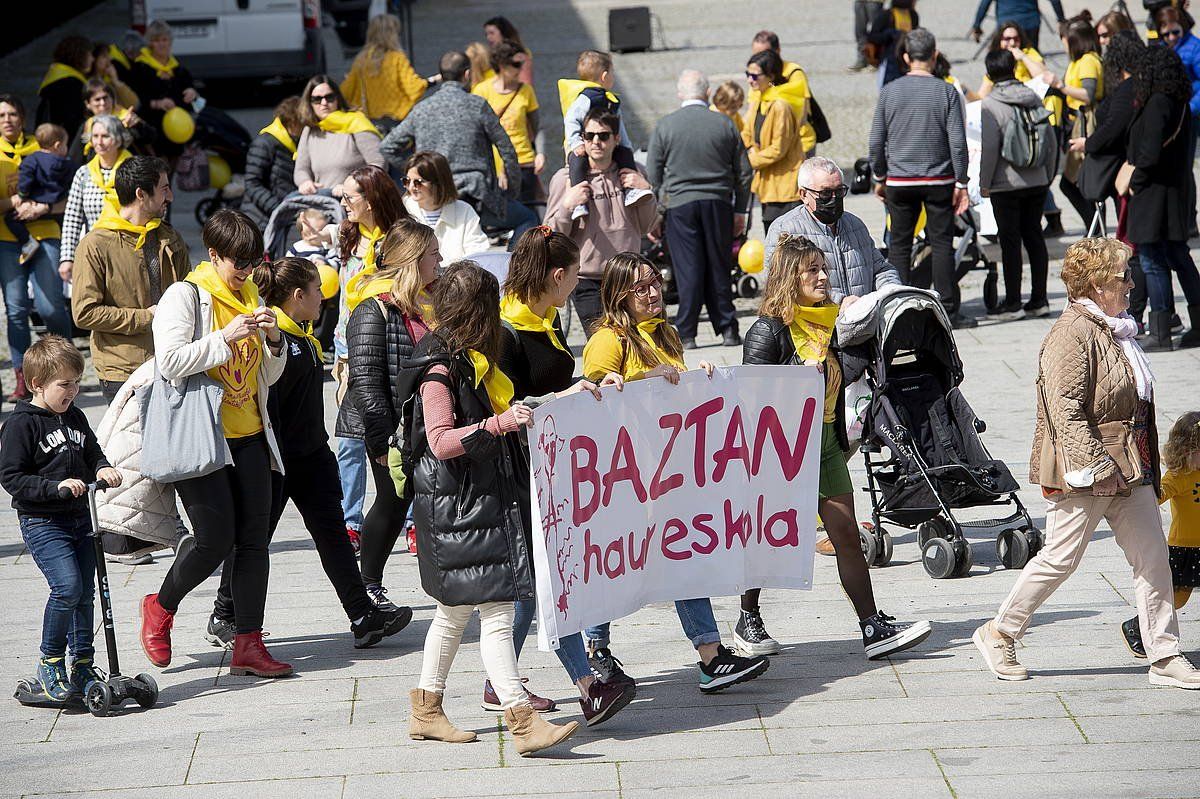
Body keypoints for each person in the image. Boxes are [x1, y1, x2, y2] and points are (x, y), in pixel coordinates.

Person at [974, 237, 1200, 690]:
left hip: (1130, 466)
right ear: (1097, 284)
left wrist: (1147, 469)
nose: (1131, 283)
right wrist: (1097, 467)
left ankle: (1164, 654)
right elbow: (1064, 410)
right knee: (1061, 558)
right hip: (1088, 471)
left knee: (1154, 560)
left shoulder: (1114, 327)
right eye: (1123, 277)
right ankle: (999, 632)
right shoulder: (1072, 333)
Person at [404, 260, 580, 755]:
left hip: (468, 503)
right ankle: (522, 723)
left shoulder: (468, 357)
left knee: (453, 614)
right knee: (498, 612)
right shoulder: (440, 368)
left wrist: (566, 396)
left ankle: (426, 710)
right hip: (460, 506)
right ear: (474, 312)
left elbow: (507, 409)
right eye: (490, 305)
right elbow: (440, 441)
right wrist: (498, 426)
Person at [580, 251, 772, 692]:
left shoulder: (664, 333)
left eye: (655, 282)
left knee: (682, 559)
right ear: (618, 296)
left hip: (669, 474)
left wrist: (700, 379)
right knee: (613, 566)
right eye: (640, 287)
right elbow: (596, 400)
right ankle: (597, 652)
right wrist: (650, 377)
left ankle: (710, 655)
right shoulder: (609, 340)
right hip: (625, 480)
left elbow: (675, 398)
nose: (652, 293)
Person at [733, 234, 932, 658]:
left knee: (845, 533)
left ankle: (872, 626)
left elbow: (850, 369)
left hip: (824, 444)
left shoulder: (829, 323)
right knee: (771, 540)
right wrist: (796, 372)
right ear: (791, 278)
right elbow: (751, 397)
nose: (824, 277)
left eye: (824, 268)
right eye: (813, 271)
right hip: (780, 451)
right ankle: (747, 618)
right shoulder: (768, 331)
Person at [201, 257, 413, 650]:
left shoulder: (301, 335)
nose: (322, 299)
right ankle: (224, 614)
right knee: (255, 540)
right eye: (317, 291)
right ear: (298, 296)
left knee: (333, 535)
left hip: (311, 457)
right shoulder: (274, 339)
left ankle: (362, 616)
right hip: (278, 461)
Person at [139, 209, 292, 678]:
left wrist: (273, 340)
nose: (245, 272)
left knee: (254, 542)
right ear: (213, 255)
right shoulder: (185, 296)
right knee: (213, 540)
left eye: (251, 262)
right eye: (236, 263)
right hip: (201, 437)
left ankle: (249, 640)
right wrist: (225, 337)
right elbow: (170, 361)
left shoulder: (250, 294)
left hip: (249, 434)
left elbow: (267, 375)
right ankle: (159, 607)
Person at [494, 226, 637, 722]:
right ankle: (587, 683)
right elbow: (508, 407)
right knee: (545, 581)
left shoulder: (546, 317)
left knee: (536, 585)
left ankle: (499, 679)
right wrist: (566, 396)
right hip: (520, 471)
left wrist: (588, 384)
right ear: (556, 276)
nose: (576, 285)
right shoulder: (506, 329)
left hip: (552, 467)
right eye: (575, 276)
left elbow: (551, 383)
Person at [0, 335, 123, 702]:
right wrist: (54, 487)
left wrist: (102, 468)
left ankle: (82, 662)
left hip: (81, 519)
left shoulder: (74, 416)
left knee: (86, 594)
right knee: (67, 588)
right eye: (64, 385)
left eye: (75, 382)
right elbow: (11, 478)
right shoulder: (22, 425)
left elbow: (93, 452)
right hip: (43, 522)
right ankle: (50, 660)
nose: (72, 391)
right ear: (37, 384)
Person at [339, 217, 439, 607]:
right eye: (433, 254)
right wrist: (381, 440)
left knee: (416, 502)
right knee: (393, 501)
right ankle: (368, 586)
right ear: (413, 260)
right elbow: (365, 379)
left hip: (425, 420)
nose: (440, 260)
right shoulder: (372, 308)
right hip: (387, 425)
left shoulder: (430, 302)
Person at [868, 28, 975, 328]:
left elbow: (876, 140)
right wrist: (962, 182)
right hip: (938, 179)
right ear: (935, 55)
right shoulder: (946, 91)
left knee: (899, 244)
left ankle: (897, 307)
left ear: (905, 57)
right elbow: (957, 141)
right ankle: (949, 308)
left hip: (900, 182)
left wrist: (880, 175)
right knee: (941, 243)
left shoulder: (889, 91)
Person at [330, 166, 408, 554]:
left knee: (394, 432)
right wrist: (339, 356)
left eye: (349, 196)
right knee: (347, 442)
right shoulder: (348, 236)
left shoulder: (396, 241)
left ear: (372, 200)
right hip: (348, 351)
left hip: (386, 349)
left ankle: (407, 519)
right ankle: (350, 520)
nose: (343, 203)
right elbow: (345, 299)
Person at [381, 51, 536, 248]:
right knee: (527, 219)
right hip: (478, 196)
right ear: (467, 74)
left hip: (433, 194)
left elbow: (387, 146)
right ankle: (515, 273)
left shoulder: (422, 109)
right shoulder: (477, 105)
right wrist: (511, 192)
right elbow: (507, 150)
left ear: (441, 75)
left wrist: (419, 174)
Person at [646, 69, 751, 349]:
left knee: (687, 268)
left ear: (680, 94)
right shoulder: (725, 124)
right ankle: (728, 328)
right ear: (706, 94)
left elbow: (653, 173)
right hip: (718, 203)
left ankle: (687, 332)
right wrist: (741, 210)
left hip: (681, 205)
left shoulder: (665, 126)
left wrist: (658, 208)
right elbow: (743, 173)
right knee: (719, 265)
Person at [71, 155, 189, 402]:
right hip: (123, 370)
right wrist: (147, 317)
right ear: (141, 194)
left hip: (171, 362)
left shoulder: (170, 237)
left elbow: (189, 292)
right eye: (164, 189)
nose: (170, 197)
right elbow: (84, 312)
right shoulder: (95, 245)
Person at [544, 109, 657, 335]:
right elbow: (551, 237)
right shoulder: (565, 179)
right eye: (589, 136)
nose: (596, 142)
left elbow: (647, 227)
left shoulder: (634, 172)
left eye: (603, 136)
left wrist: (647, 192)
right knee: (603, 341)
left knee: (635, 339)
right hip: (586, 279)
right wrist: (568, 206)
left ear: (616, 139)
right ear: (582, 138)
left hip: (628, 276)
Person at [1125, 44, 1200, 351]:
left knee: (1153, 259)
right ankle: (1196, 324)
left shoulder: (1157, 102)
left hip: (1153, 192)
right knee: (1179, 255)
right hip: (1173, 189)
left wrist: (1135, 180)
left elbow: (1149, 152)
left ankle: (1160, 330)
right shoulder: (1178, 100)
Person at [0, 95, 73, 403]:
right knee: (16, 310)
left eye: (13, 113)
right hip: (7, 237)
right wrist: (16, 203)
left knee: (49, 306)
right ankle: (23, 378)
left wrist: (41, 208)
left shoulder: (44, 144)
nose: (7, 119)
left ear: (23, 117)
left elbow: (69, 197)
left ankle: (65, 366)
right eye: (2, 115)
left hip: (45, 233)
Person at [979, 49, 1054, 321]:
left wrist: (984, 183)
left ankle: (1013, 303)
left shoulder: (990, 104)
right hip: (1036, 179)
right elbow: (1051, 138)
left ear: (990, 74)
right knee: (1035, 236)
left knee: (1010, 242)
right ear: (1013, 68)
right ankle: (1040, 299)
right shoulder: (1032, 97)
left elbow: (989, 148)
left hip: (1005, 182)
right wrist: (1047, 174)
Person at [764, 157, 901, 305]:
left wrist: (891, 289)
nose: (834, 198)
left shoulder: (856, 225)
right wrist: (840, 301)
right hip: (814, 323)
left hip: (862, 321)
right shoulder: (785, 229)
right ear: (803, 195)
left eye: (839, 191)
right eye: (825, 193)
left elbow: (880, 269)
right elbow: (780, 283)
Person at [1121, 411, 1200, 658]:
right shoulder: (1178, 476)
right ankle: (1136, 627)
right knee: (1175, 599)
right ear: (1186, 450)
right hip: (1184, 548)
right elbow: (1157, 496)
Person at [560, 50, 648, 219]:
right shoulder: (586, 98)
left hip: (610, 143)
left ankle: (631, 190)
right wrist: (575, 142)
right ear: (605, 76)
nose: (613, 77)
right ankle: (579, 202)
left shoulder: (610, 100)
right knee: (577, 166)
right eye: (613, 73)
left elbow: (618, 124)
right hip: (580, 145)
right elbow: (571, 119)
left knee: (626, 157)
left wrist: (625, 144)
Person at [473, 39, 545, 211]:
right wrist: (498, 169)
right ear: (501, 64)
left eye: (522, 63)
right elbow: (477, 134)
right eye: (516, 64)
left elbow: (538, 127)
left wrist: (540, 153)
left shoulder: (526, 91)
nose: (521, 68)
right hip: (493, 168)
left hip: (524, 163)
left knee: (529, 216)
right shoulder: (481, 91)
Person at [59, 116, 132, 279]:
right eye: (95, 136)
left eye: (106, 136)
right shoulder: (84, 174)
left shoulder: (134, 172)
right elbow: (72, 218)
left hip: (129, 255)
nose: (99, 142)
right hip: (94, 254)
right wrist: (67, 258)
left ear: (119, 139)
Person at [743, 49, 804, 234]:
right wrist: (751, 148)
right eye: (747, 74)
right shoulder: (759, 100)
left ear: (770, 76)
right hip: (768, 187)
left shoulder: (781, 106)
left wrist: (748, 161)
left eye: (754, 75)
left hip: (785, 187)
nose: (749, 80)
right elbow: (746, 132)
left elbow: (779, 148)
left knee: (786, 241)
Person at [294, 75, 385, 198]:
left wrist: (352, 185)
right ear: (309, 103)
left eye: (329, 97)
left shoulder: (356, 122)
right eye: (317, 99)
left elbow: (378, 164)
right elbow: (301, 169)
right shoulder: (310, 130)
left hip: (357, 201)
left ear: (338, 99)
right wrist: (305, 182)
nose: (324, 103)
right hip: (322, 203)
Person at [127, 21, 198, 161]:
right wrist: (157, 103)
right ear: (150, 43)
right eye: (156, 40)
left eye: (164, 40)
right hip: (152, 123)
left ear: (170, 42)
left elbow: (189, 85)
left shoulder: (176, 66)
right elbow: (135, 98)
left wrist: (191, 91)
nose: (161, 44)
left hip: (177, 124)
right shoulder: (140, 67)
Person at [1157, 6, 1200, 234]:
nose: (1172, 38)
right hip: (1167, 117)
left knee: (1185, 167)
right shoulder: (1160, 49)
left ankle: (1189, 219)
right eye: (1166, 34)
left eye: (1176, 33)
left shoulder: (1194, 48)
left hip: (1189, 117)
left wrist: (1190, 108)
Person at [340, 14, 427, 128]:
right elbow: (414, 88)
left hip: (370, 123)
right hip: (396, 122)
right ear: (392, 35)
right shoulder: (397, 58)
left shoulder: (362, 60)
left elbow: (345, 92)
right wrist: (432, 80)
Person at [401, 151, 489, 261]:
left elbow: (478, 253)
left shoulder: (464, 210)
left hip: (457, 276)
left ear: (438, 182)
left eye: (418, 182)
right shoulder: (403, 209)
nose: (411, 187)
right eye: (406, 181)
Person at [10, 125, 73, 267]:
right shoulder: (68, 164)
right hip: (55, 208)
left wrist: (22, 195)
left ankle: (27, 242)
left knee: (11, 219)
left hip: (32, 204)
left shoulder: (32, 160)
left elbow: (25, 179)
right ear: (57, 145)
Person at [749, 31, 817, 158]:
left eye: (765, 54)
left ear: (778, 51)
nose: (759, 60)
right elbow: (751, 113)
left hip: (799, 146)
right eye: (756, 54)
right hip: (765, 147)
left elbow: (801, 116)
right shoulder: (756, 76)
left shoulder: (793, 72)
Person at [243, 97, 302, 229]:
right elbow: (252, 183)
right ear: (292, 121)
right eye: (302, 122)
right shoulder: (264, 143)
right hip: (260, 221)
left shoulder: (294, 142)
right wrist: (279, 208)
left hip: (279, 220)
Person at [72, 79, 152, 163]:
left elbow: (150, 137)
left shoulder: (126, 117)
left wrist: (137, 126)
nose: (102, 103)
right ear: (88, 104)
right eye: (97, 99)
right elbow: (75, 158)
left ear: (112, 99)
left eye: (105, 97)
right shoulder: (87, 126)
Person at [35, 36, 93, 138]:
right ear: (79, 56)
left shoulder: (56, 78)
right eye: (89, 54)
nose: (92, 59)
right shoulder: (71, 84)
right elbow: (73, 123)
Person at [976, 22, 1045, 98]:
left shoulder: (1028, 53)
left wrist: (1023, 57)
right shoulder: (997, 61)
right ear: (999, 40)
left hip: (1030, 97)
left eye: (1016, 39)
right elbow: (981, 97)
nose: (1012, 43)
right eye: (1007, 39)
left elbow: (1044, 77)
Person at [970, 0, 1066, 51]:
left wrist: (977, 26)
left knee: (1006, 58)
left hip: (1006, 24)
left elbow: (984, 4)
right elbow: (1055, 1)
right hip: (1030, 22)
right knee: (1032, 56)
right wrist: (1061, 19)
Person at [868, 0, 919, 87]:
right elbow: (872, 37)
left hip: (907, 60)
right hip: (888, 60)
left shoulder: (913, 15)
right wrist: (889, 34)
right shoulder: (886, 15)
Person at [88, 41, 139, 111]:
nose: (109, 59)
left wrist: (115, 81)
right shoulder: (88, 82)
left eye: (108, 55)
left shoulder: (110, 79)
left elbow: (135, 104)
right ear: (94, 59)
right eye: (104, 56)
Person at [483, 16, 534, 84]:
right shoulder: (486, 54)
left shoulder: (520, 53)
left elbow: (525, 82)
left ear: (504, 33)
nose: (488, 37)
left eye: (492, 33)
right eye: (486, 34)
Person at [851, 0, 885, 71]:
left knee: (876, 30)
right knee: (860, 31)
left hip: (875, 1)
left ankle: (876, 60)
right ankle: (861, 59)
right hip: (859, 1)